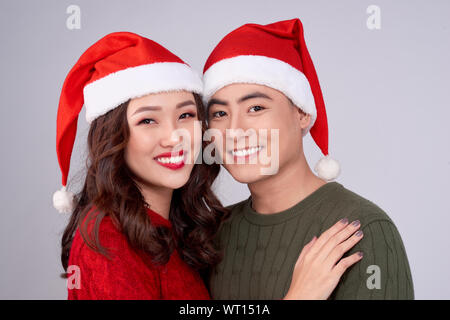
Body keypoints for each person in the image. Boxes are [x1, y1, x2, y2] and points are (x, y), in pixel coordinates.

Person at [54, 31, 364, 300]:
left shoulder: (182, 230)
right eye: (148, 120)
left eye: (186, 115)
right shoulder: (108, 239)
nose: (174, 137)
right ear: (114, 136)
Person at [202, 18, 414, 299]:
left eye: (255, 107)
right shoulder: (213, 236)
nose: (235, 130)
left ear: (301, 113)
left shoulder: (361, 231)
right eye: (219, 114)